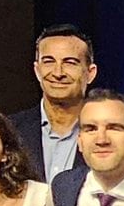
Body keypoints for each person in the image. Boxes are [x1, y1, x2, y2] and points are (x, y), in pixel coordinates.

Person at [9, 23, 96, 182]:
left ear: (90, 73)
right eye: (49, 61)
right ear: (37, 70)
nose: (58, 73)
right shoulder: (9, 131)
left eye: (70, 62)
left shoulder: (107, 134)